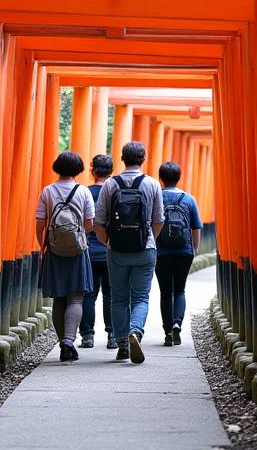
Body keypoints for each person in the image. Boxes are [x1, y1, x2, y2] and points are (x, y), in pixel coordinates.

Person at [95, 141, 164, 364]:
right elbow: (158, 219)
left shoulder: (110, 185)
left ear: (122, 159)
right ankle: (136, 331)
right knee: (141, 296)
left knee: (118, 298)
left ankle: (123, 343)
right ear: (143, 159)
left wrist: (109, 242)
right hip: (145, 249)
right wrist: (148, 239)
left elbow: (98, 222)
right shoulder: (152, 184)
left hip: (116, 250)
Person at [36, 151, 95, 362]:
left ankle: (62, 343)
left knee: (59, 298)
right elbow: (89, 224)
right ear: (78, 169)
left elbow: (40, 223)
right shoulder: (84, 192)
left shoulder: (48, 191)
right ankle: (70, 341)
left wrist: (45, 245)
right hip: (78, 251)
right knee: (76, 297)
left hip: (54, 250)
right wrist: (77, 237)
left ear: (57, 167)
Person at [155, 161, 202, 346]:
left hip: (161, 251)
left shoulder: (157, 197)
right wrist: (194, 249)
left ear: (161, 178)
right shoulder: (189, 199)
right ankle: (177, 323)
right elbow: (196, 227)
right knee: (180, 289)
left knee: (165, 292)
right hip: (184, 251)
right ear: (178, 178)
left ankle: (167, 332)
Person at [79, 154, 117, 349]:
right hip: (110, 250)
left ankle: (87, 336)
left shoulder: (84, 192)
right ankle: (112, 335)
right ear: (111, 171)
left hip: (88, 251)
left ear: (92, 170)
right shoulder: (115, 192)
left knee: (88, 295)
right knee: (111, 295)